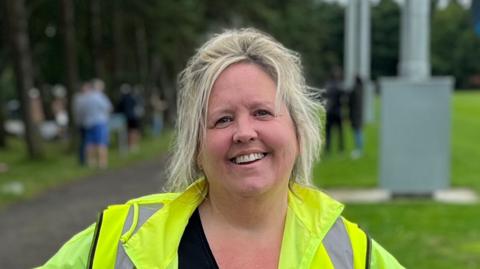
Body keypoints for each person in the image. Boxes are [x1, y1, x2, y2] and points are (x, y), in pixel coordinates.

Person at [38, 28, 403, 268]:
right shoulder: (119, 241)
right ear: (196, 145)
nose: (244, 132)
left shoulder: (350, 254)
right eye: (223, 120)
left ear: (298, 130)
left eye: (262, 112)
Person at [83, 79, 112, 168]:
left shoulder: (87, 97)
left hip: (88, 122)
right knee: (101, 143)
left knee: (90, 143)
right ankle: (102, 163)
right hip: (100, 122)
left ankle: (91, 163)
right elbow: (109, 107)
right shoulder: (100, 96)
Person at [325, 67, 345, 154]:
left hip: (329, 111)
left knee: (328, 133)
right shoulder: (340, 86)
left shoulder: (328, 85)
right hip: (337, 111)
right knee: (340, 132)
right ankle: (341, 148)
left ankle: (328, 148)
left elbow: (324, 96)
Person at [348, 75, 364, 159]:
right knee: (359, 132)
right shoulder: (361, 89)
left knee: (357, 133)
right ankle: (359, 149)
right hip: (359, 114)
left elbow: (350, 101)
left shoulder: (355, 90)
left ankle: (359, 150)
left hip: (355, 114)